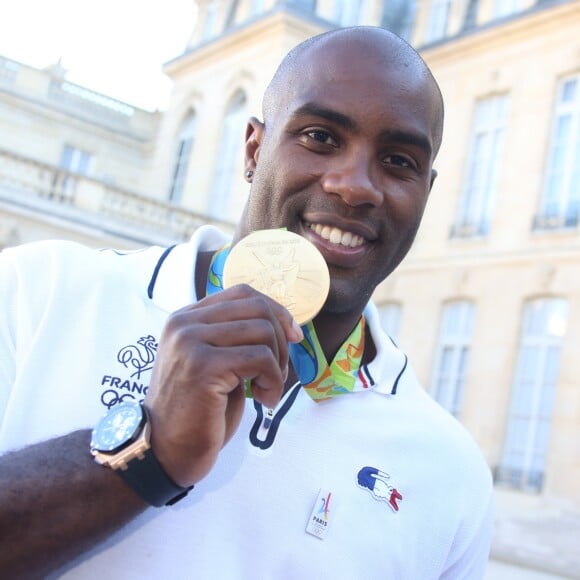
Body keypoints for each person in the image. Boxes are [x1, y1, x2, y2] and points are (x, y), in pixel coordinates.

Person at [0, 26, 493, 579]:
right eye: (320, 137)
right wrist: (148, 449)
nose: (355, 186)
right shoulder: (38, 293)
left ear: (426, 191)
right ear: (255, 149)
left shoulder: (451, 472)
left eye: (399, 161)